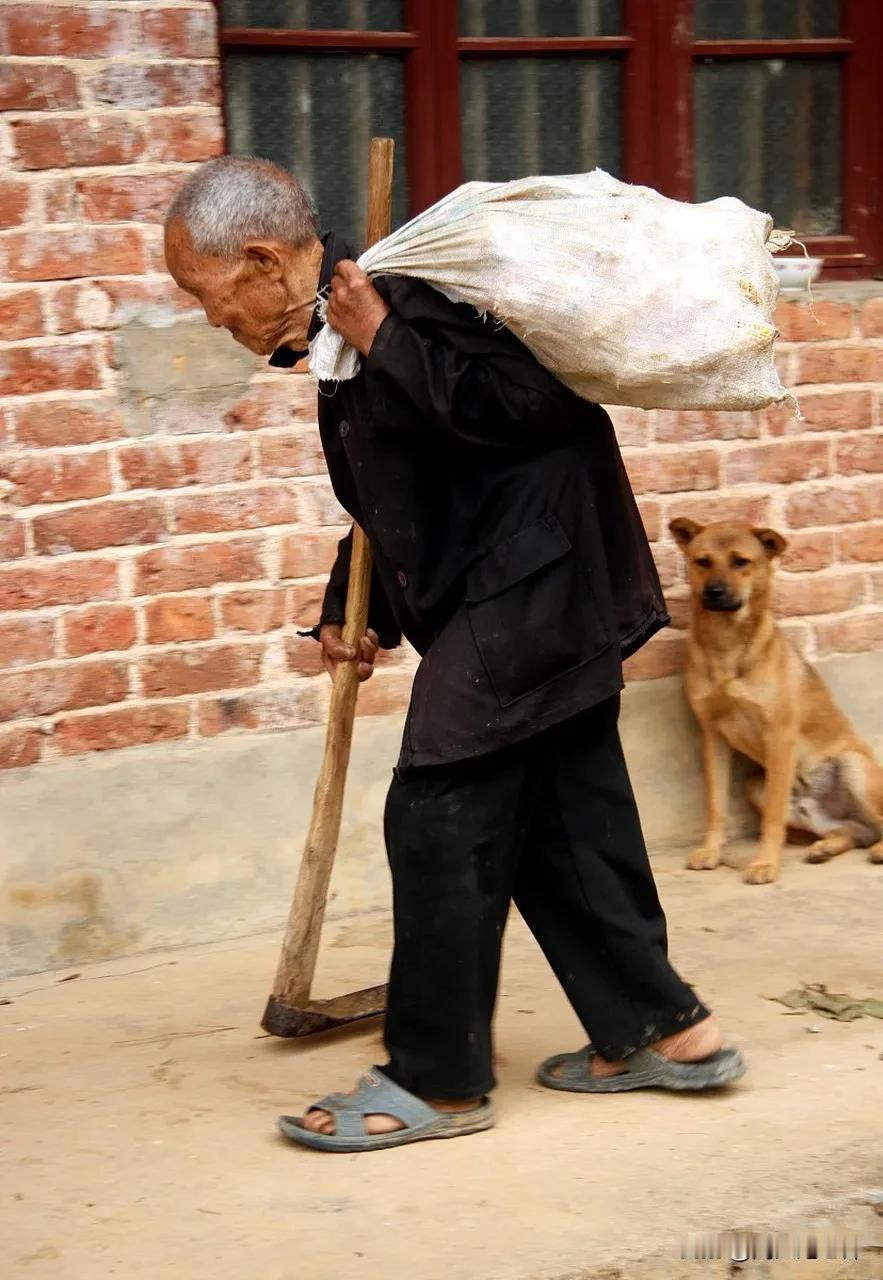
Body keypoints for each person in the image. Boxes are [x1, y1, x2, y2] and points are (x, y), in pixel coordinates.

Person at [164, 156, 746, 1154]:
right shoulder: (344, 325)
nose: (214, 320)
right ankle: (665, 1031)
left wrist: (386, 337)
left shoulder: (410, 292)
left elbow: (548, 413)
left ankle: (435, 1076)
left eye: (209, 297)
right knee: (567, 815)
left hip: (534, 583)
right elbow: (407, 486)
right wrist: (357, 611)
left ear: (262, 259)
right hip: (526, 583)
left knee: (439, 809)